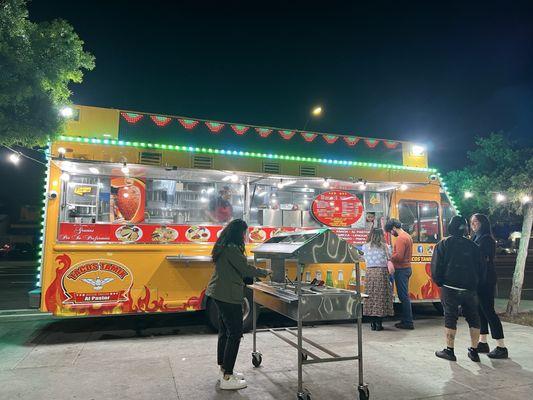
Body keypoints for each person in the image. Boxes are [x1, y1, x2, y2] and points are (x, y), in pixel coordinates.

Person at [206, 219, 270, 390]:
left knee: (225, 331)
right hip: (228, 295)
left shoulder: (224, 246)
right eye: (244, 233)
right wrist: (265, 272)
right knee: (235, 333)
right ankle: (227, 377)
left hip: (219, 293)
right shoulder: (232, 249)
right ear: (238, 233)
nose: (245, 236)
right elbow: (245, 269)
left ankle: (224, 369)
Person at [431, 216, 485, 362]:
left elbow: (436, 268)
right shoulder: (473, 246)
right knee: (474, 317)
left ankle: (450, 350)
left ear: (450, 227)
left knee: (450, 317)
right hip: (470, 288)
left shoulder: (443, 244)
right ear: (465, 228)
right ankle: (474, 351)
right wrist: (476, 284)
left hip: (449, 287)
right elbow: (481, 268)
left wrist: (440, 282)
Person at [471, 213, 508, 359]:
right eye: (472, 222)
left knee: (488, 311)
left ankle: (501, 346)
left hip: (486, 280)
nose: (473, 225)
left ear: (483, 223)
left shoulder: (487, 239)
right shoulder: (476, 237)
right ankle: (483, 342)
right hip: (479, 279)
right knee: (480, 310)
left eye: (476, 222)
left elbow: (483, 259)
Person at [362, 228, 395, 331]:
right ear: (382, 235)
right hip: (381, 273)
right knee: (380, 298)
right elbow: (389, 258)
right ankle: (379, 324)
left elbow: (363, 258)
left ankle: (372, 324)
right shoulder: (386, 247)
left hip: (370, 273)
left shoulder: (365, 247)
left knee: (370, 297)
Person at [385, 218, 414, 329]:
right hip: (406, 268)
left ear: (393, 228)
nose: (391, 234)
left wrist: (389, 257)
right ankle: (406, 320)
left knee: (403, 297)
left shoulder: (401, 238)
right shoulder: (407, 236)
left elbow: (399, 256)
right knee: (404, 296)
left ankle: (408, 322)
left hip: (401, 270)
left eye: (390, 231)